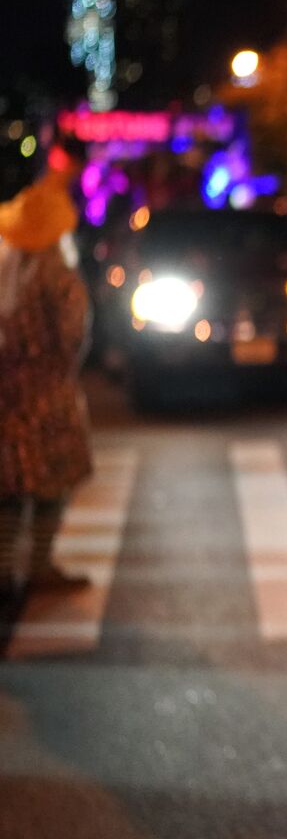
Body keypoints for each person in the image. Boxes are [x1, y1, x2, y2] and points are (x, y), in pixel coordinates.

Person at [0, 147, 93, 601]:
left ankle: (4, 569)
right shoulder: (57, 273)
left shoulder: (5, 267)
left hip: (5, 391)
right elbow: (74, 335)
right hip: (46, 393)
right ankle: (38, 567)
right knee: (51, 485)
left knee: (9, 491)